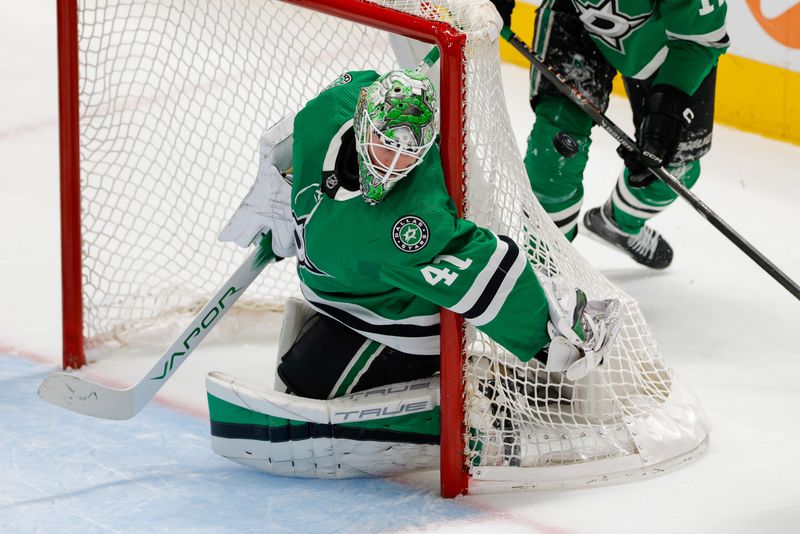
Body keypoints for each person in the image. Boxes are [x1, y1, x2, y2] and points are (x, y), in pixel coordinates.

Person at [211, 67, 621, 477]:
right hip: (345, 299)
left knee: (302, 381)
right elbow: (389, 78)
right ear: (361, 119)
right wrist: (278, 187)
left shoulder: (408, 226)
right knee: (297, 369)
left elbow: (481, 269)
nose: (392, 165)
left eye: (408, 155)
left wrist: (549, 336)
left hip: (394, 323)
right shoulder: (329, 110)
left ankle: (478, 413)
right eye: (385, 145)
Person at [491, 0, 728, 268]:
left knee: (673, 166)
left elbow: (700, 38)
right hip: (577, 18)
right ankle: (544, 267)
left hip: (667, 47)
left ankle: (620, 223)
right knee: (556, 148)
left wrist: (667, 111)